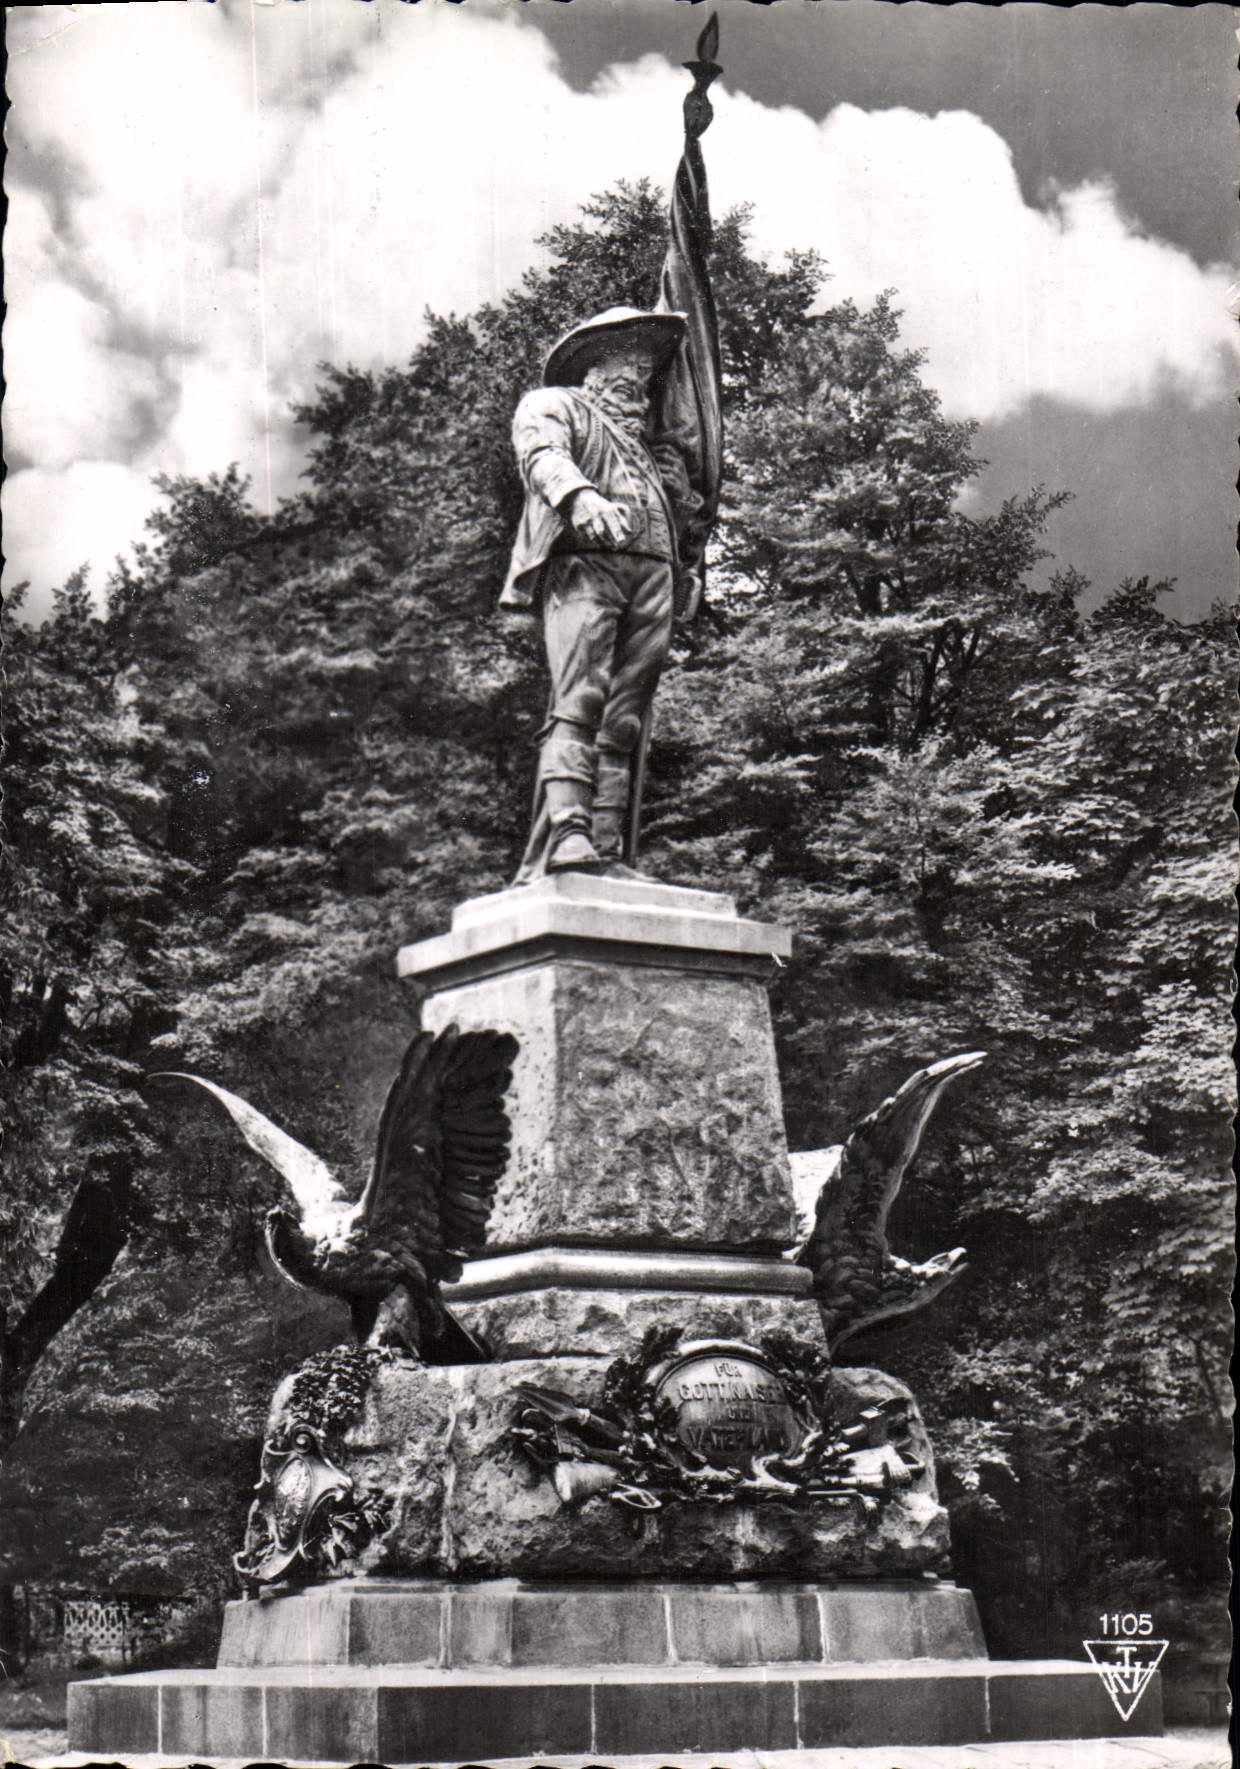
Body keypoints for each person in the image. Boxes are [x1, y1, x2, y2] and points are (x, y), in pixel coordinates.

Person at [499, 306, 703, 882]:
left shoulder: (649, 448)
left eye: (645, 365)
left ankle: (605, 847)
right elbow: (542, 456)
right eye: (624, 360)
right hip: (585, 569)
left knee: (626, 720)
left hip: (654, 577)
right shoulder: (555, 406)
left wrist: (685, 568)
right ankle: (567, 833)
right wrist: (580, 498)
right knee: (579, 701)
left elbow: (680, 515)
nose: (637, 374)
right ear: (591, 366)